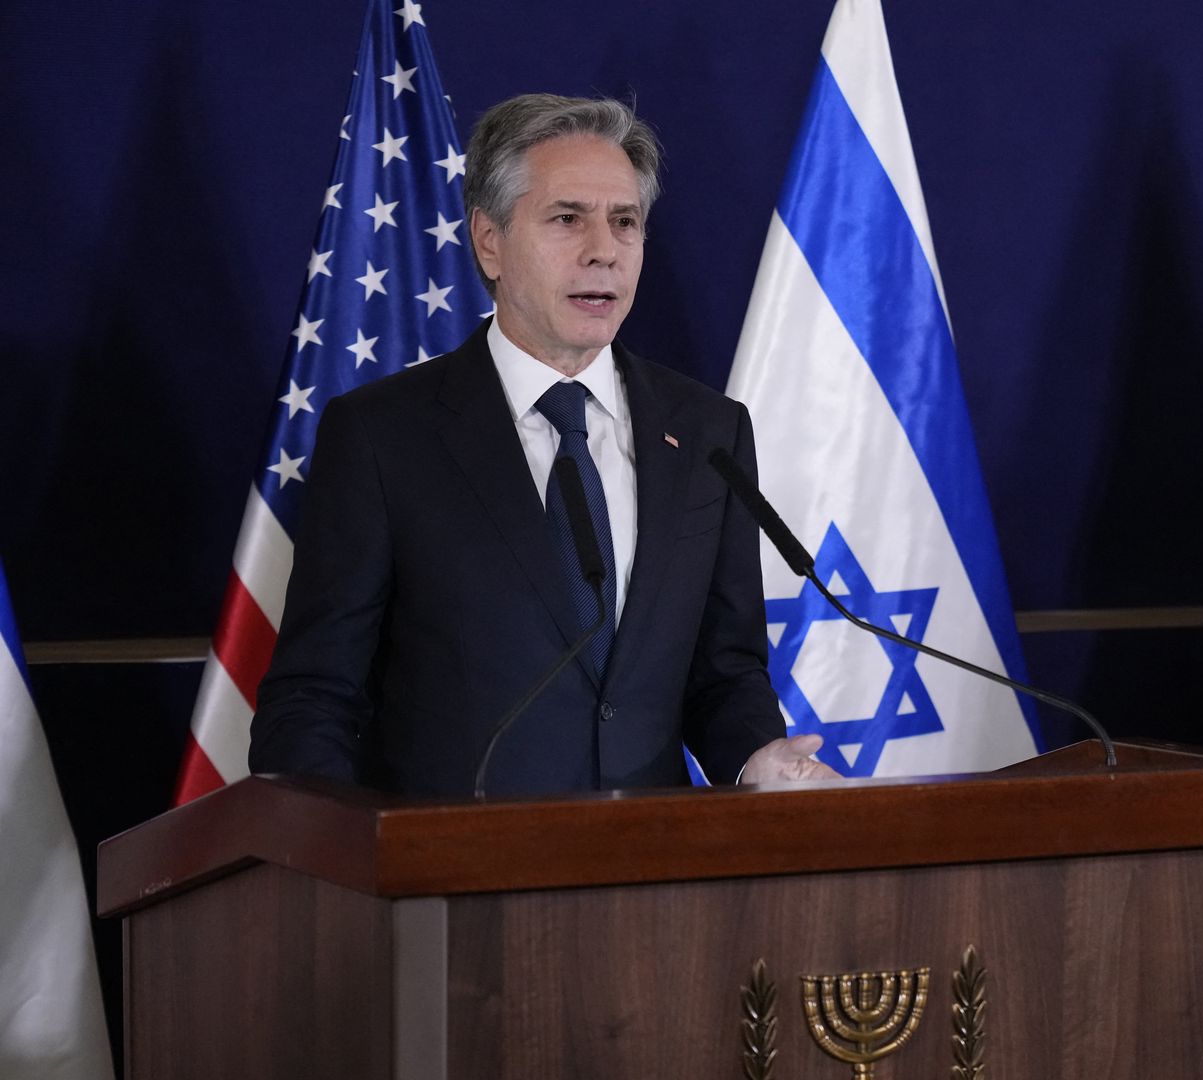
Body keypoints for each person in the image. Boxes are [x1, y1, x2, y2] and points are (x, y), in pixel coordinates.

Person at [250, 94, 835, 795]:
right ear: (489, 242)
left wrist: (756, 761)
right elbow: (314, 696)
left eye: (625, 222)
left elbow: (724, 673)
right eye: (567, 219)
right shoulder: (382, 436)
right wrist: (331, 842)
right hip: (451, 855)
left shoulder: (709, 431)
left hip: (656, 853)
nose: (603, 251)